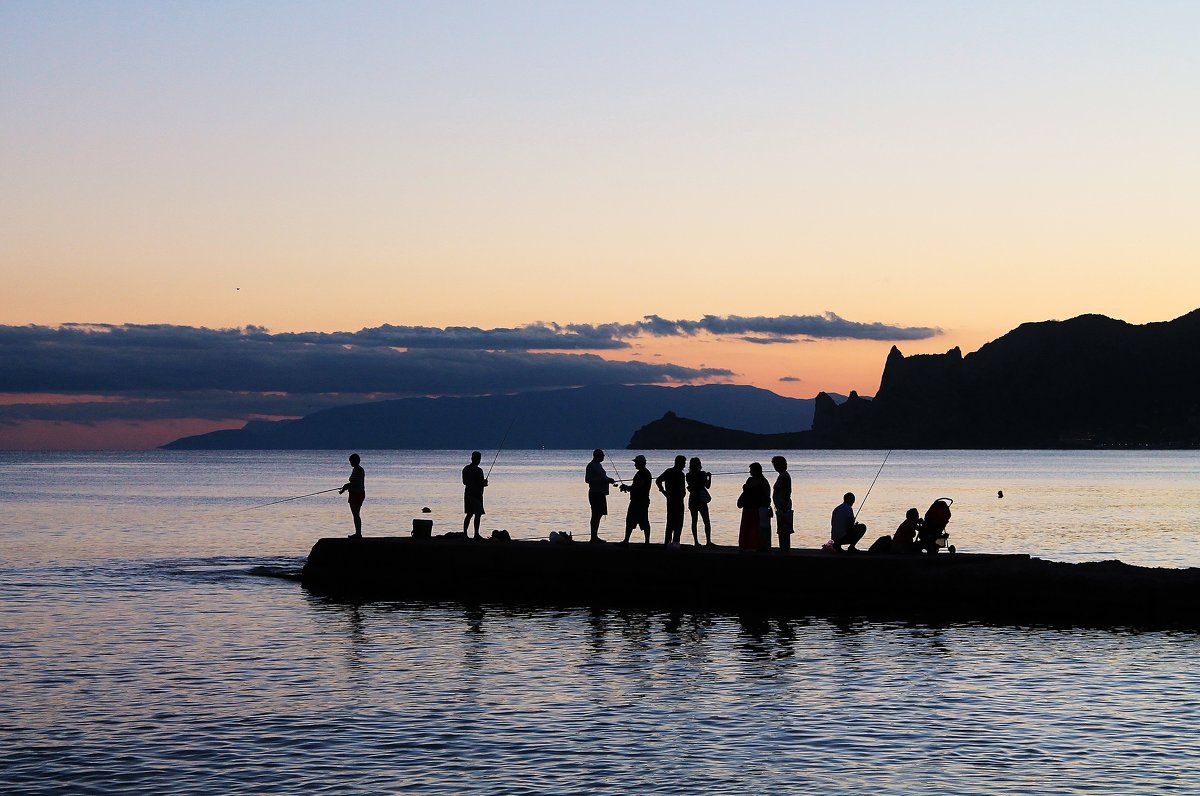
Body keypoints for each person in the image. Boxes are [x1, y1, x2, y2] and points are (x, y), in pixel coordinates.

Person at [737, 462, 772, 551]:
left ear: (757, 470)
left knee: (756, 529)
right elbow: (745, 493)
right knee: (746, 528)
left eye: (751, 470)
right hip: (748, 507)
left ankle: (758, 546)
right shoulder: (750, 480)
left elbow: (766, 496)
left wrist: (767, 507)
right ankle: (745, 546)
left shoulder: (763, 481)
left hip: (757, 509)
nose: (750, 472)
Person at [619, 454, 653, 544]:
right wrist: (627, 488)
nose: (635, 464)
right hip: (642, 500)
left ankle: (626, 541)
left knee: (631, 520)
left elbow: (638, 487)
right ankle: (647, 542)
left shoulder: (642, 473)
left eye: (636, 463)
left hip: (639, 501)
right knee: (644, 520)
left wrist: (627, 487)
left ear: (641, 463)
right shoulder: (644, 473)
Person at [585, 449, 617, 543]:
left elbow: (603, 478)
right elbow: (587, 480)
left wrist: (609, 480)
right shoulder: (591, 466)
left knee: (598, 515)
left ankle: (595, 536)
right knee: (595, 515)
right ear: (597, 456)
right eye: (602, 455)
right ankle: (593, 537)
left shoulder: (599, 465)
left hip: (601, 493)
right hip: (595, 493)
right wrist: (604, 481)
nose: (603, 457)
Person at [655, 455, 687, 545]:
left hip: (672, 500)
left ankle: (668, 543)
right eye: (683, 463)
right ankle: (675, 542)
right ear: (679, 463)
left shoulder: (670, 472)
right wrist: (663, 491)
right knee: (677, 523)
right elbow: (658, 480)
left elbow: (658, 480)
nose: (684, 465)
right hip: (677, 501)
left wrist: (663, 491)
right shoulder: (679, 474)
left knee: (671, 522)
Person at [686, 457, 713, 546]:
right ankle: (708, 541)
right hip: (701, 500)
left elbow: (691, 486)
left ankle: (696, 542)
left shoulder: (688, 475)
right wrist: (709, 477)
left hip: (693, 499)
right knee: (706, 521)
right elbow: (708, 486)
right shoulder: (703, 474)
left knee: (694, 521)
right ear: (699, 465)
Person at [462, 450, 488, 539]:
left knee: (469, 514)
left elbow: (464, 482)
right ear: (479, 459)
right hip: (476, 495)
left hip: (467, 494)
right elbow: (481, 483)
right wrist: (484, 483)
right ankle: (476, 534)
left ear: (471, 458)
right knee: (478, 514)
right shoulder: (479, 470)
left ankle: (465, 534)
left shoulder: (465, 469)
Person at [338, 453, 365, 538]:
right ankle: (358, 533)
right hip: (356, 493)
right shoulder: (357, 469)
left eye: (351, 461)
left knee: (356, 514)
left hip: (357, 494)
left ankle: (358, 534)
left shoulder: (358, 470)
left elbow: (354, 483)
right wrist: (344, 488)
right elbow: (353, 483)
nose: (350, 463)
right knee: (356, 514)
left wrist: (344, 488)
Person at [771, 456, 793, 550]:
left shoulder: (784, 476)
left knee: (784, 528)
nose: (775, 467)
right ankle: (783, 547)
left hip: (784, 506)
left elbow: (788, 491)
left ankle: (785, 548)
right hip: (780, 506)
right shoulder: (782, 475)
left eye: (776, 464)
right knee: (782, 528)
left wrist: (784, 506)